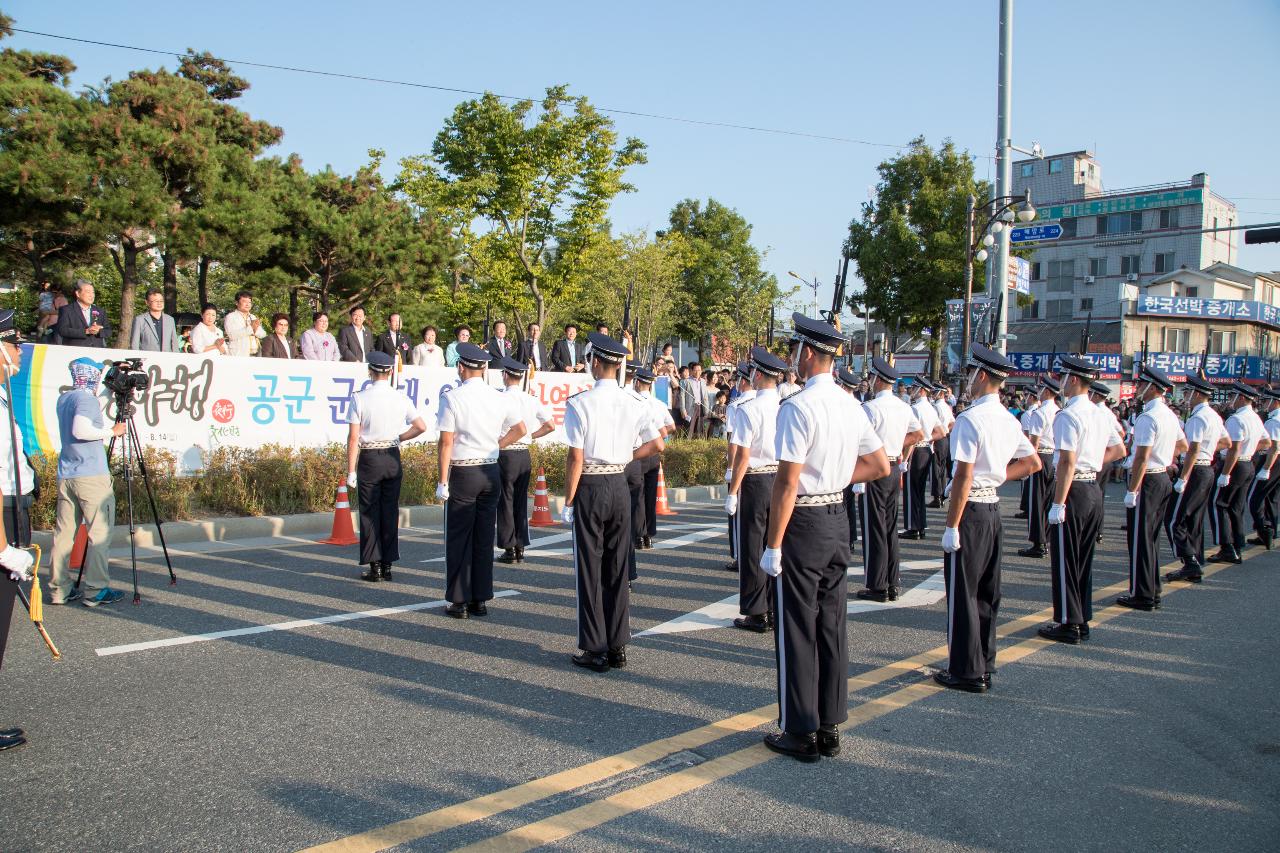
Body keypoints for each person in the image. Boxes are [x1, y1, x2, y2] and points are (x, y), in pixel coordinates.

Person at [759, 313, 888, 763]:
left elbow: (787, 483)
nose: (792, 357)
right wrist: (835, 477)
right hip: (838, 519)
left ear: (808, 353)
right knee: (832, 624)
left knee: (797, 626)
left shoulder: (797, 407)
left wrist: (773, 544)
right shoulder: (852, 404)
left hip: (806, 524)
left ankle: (799, 730)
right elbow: (880, 465)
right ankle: (830, 724)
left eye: (795, 349)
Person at [936, 345, 1041, 692]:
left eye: (969, 374)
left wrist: (951, 525)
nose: (966, 380)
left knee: (963, 592)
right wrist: (997, 476)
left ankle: (964, 669)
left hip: (971, 510)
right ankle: (983, 662)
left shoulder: (970, 419)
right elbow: (1032, 463)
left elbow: (963, 477)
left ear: (981, 376)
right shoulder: (1009, 420)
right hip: (993, 508)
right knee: (985, 592)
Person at [561, 332, 663, 672]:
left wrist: (568, 499)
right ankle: (618, 644)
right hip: (620, 482)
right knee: (618, 568)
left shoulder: (580, 403)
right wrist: (627, 456)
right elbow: (658, 444)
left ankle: (594, 647)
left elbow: (575, 459)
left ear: (595, 363)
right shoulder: (633, 402)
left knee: (590, 569)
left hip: (590, 483)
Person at [1038, 355, 1126, 645]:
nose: (1061, 382)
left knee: (1065, 558)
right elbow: (1119, 449)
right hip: (1093, 489)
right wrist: (1095, 464)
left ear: (1073, 380)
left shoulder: (1067, 415)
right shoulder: (1102, 413)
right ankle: (1081, 618)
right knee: (1083, 559)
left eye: (1064, 376)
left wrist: (1058, 503)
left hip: (1073, 490)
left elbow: (1066, 462)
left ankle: (1067, 621)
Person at [436, 343, 526, 618]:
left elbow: (445, 442)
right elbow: (521, 429)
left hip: (464, 471)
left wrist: (442, 480)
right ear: (484, 368)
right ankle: (480, 599)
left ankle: (459, 600)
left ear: (461, 367)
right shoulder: (498, 397)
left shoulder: (452, 398)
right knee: (483, 536)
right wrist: (496, 445)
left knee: (459, 537)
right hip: (490, 470)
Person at [48, 358, 128, 607]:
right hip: (91, 476)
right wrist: (113, 432)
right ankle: (96, 590)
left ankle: (59, 589)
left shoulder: (66, 398)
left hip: (67, 474)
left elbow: (86, 413)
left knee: (64, 534)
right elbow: (81, 430)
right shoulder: (85, 399)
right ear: (92, 375)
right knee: (99, 534)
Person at [345, 352, 429, 582]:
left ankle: (375, 567)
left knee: (370, 512)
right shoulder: (400, 398)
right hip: (392, 456)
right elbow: (421, 426)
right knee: (390, 511)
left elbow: (353, 438)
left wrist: (351, 470)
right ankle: (388, 564)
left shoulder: (360, 398)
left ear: (370, 372)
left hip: (370, 458)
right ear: (390, 372)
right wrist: (399, 438)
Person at [725, 347, 786, 633]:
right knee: (776, 543)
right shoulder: (786, 405)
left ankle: (755, 611)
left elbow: (743, 456)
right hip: (781, 477)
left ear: (758, 374)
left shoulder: (748, 409)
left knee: (752, 545)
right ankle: (774, 607)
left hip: (757, 479)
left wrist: (732, 491)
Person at [857, 358, 923, 603]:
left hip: (875, 468)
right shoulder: (904, 407)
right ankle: (893, 582)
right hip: (894, 465)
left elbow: (860, 443)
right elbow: (918, 434)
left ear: (876, 379)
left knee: (874, 526)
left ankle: (877, 584)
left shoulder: (870, 408)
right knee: (890, 526)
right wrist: (895, 444)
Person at [1164, 375, 1226, 583]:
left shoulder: (1198, 417)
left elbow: (1193, 450)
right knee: (1194, 519)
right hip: (1205, 468)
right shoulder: (1214, 416)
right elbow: (1225, 441)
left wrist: (1183, 476)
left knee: (1174, 519)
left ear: (1198, 394)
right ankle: (1196, 561)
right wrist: (1208, 452)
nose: (1187, 397)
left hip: (1195, 470)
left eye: (1189, 392)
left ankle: (1190, 561)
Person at [496, 358, 554, 564]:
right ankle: (520, 545)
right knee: (520, 501)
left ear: (505, 375)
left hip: (506, 452)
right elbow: (550, 425)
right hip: (524, 454)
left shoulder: (500, 398)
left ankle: (509, 547)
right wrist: (531, 435)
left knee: (505, 501)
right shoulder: (531, 399)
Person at [1210, 383, 1266, 564]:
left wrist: (1225, 473)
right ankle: (1237, 544)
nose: (1230, 401)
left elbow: (1234, 449)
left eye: (1232, 397)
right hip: (1247, 463)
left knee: (1219, 504)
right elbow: (1266, 442)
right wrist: (1250, 450)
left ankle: (1226, 547)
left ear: (1241, 398)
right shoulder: (1255, 418)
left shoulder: (1236, 419)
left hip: (1234, 464)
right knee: (1236, 507)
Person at [630, 365, 675, 551]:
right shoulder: (659, 404)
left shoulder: (632, 402)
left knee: (637, 496)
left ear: (637, 382)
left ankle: (639, 536)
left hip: (638, 452)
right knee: (650, 495)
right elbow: (671, 427)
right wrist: (657, 435)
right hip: (654, 453)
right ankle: (649, 535)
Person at [1018, 378, 1062, 559]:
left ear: (1047, 392)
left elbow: (1033, 443)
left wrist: (1026, 463)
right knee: (1049, 500)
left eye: (1041, 389)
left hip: (1041, 456)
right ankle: (1047, 539)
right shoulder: (1059, 411)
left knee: (1036, 501)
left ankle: (1038, 543)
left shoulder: (1039, 413)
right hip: (1054, 457)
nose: (1038, 392)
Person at [902, 379, 942, 540]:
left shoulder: (915, 409)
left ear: (922, 390)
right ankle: (921, 525)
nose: (912, 390)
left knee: (911, 491)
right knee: (919, 491)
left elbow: (913, 436)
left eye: (914, 388)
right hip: (926, 449)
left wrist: (904, 460)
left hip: (916, 450)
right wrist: (927, 438)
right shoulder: (932, 409)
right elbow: (941, 432)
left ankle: (913, 527)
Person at [1248, 388, 1280, 549]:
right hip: (1277, 461)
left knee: (1254, 497)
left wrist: (1266, 468)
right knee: (1271, 497)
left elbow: (1274, 447)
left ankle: (1264, 528)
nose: (1265, 404)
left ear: (1275, 402)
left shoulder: (1273, 421)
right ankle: (1271, 530)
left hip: (1272, 460)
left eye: (1267, 401)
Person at [54, 279, 111, 348]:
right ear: (78, 293)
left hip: (96, 351)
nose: (91, 295)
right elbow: (62, 330)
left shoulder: (100, 311)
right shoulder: (67, 310)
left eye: (93, 292)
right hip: (75, 350)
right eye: (88, 292)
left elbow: (108, 331)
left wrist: (99, 331)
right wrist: (86, 331)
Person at [129, 288, 180, 352]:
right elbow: (134, 344)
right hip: (146, 359)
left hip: (166, 359)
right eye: (155, 301)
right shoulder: (139, 320)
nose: (159, 303)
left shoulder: (170, 320)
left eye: (161, 301)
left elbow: (174, 344)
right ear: (147, 302)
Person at [929, 384, 955, 507]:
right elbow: (952, 424)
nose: (932, 394)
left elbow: (932, 425)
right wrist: (945, 430)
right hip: (945, 439)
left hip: (937, 439)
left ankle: (937, 497)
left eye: (934, 392)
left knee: (935, 468)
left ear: (940, 393)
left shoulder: (935, 407)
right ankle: (943, 495)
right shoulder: (946, 406)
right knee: (942, 469)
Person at [223, 290, 266, 357]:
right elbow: (232, 335)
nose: (247, 304)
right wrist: (251, 328)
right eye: (244, 301)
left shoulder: (253, 317)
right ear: (236, 303)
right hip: (238, 354)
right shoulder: (231, 317)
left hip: (256, 354)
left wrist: (255, 330)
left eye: (249, 302)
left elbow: (263, 334)